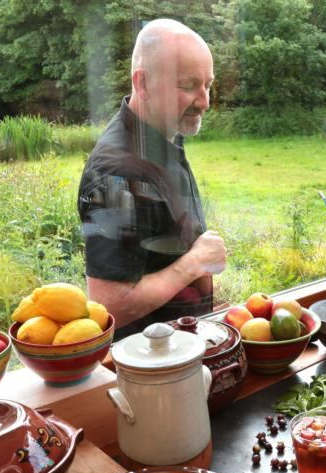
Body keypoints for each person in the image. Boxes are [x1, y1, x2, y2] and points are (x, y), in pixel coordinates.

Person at [78, 19, 226, 340]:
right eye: (187, 86)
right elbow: (109, 304)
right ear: (143, 84)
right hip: (149, 370)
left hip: (181, 349)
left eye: (208, 85)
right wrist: (195, 263)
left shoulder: (163, 137)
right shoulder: (116, 172)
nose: (204, 101)